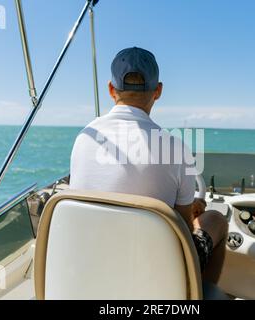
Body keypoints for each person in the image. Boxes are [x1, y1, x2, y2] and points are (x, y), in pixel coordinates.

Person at [70, 47, 227, 271]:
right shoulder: (176, 149)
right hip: (153, 273)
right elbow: (183, 232)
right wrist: (192, 210)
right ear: (158, 91)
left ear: (111, 89)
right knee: (215, 220)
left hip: (92, 264)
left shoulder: (84, 138)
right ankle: (196, 295)